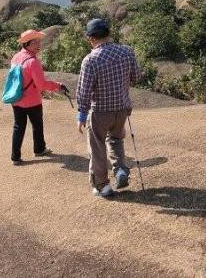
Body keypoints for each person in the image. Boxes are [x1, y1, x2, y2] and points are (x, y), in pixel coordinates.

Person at [75, 18, 141, 198]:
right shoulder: (127, 51)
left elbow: (84, 91)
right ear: (109, 33)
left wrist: (81, 114)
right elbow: (136, 77)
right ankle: (120, 170)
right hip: (122, 108)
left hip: (100, 112)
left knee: (97, 147)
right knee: (116, 140)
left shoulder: (90, 60)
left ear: (90, 38)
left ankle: (103, 186)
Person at [10, 29, 67, 165]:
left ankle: (15, 157)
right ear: (27, 44)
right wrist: (57, 86)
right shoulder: (33, 62)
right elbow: (41, 85)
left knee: (18, 126)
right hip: (32, 101)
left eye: (39, 41)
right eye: (35, 42)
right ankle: (39, 149)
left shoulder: (16, 57)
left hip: (17, 98)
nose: (38, 44)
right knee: (37, 125)